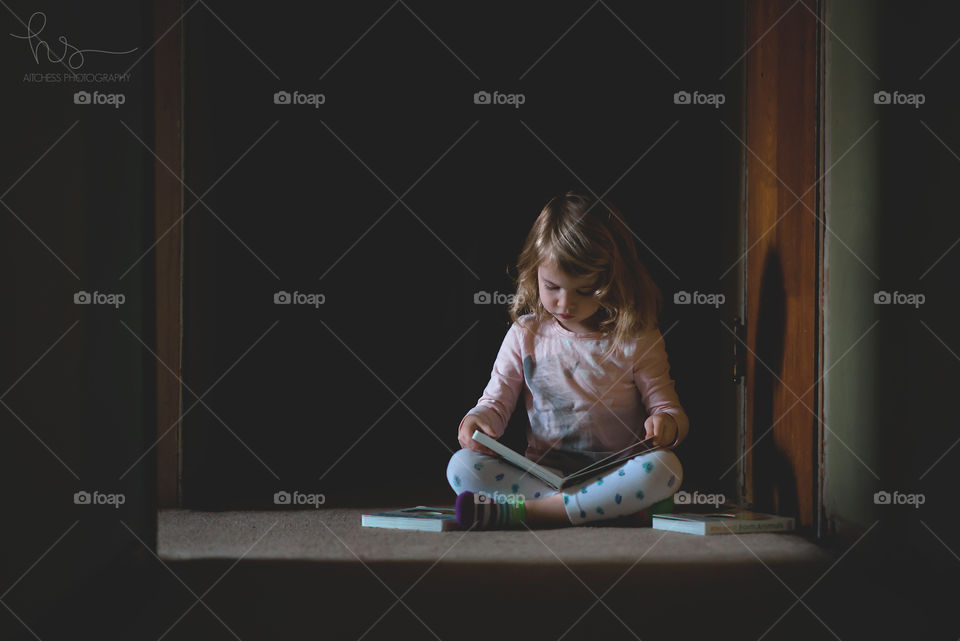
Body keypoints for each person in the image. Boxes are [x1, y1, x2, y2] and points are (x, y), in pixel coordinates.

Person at [447, 191, 689, 529]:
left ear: (611, 281)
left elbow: (670, 411)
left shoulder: (636, 336)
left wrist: (666, 426)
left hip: (613, 476)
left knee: (665, 468)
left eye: (583, 291)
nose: (564, 303)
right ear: (535, 273)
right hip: (542, 477)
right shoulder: (524, 334)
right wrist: (476, 424)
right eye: (552, 287)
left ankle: (528, 513)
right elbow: (494, 403)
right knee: (461, 466)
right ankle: (599, 510)